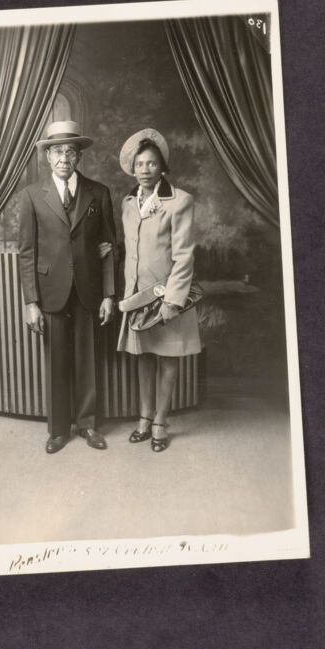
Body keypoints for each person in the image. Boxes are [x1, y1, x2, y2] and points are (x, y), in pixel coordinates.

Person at [18, 119, 117, 455]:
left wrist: (108, 294)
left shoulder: (98, 193)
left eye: (70, 151)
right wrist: (31, 301)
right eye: (57, 151)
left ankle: (88, 425)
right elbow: (27, 252)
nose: (63, 158)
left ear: (79, 157)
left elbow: (108, 248)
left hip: (89, 289)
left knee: (88, 358)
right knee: (56, 361)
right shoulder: (31, 196)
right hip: (51, 292)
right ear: (47, 157)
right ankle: (59, 430)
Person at [117, 128, 201, 452]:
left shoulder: (179, 202)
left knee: (167, 358)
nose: (145, 169)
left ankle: (160, 423)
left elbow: (184, 256)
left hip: (167, 298)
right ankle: (143, 417)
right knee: (144, 357)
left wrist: (172, 300)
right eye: (140, 164)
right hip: (138, 298)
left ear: (162, 167)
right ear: (132, 168)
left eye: (152, 164)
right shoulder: (127, 203)